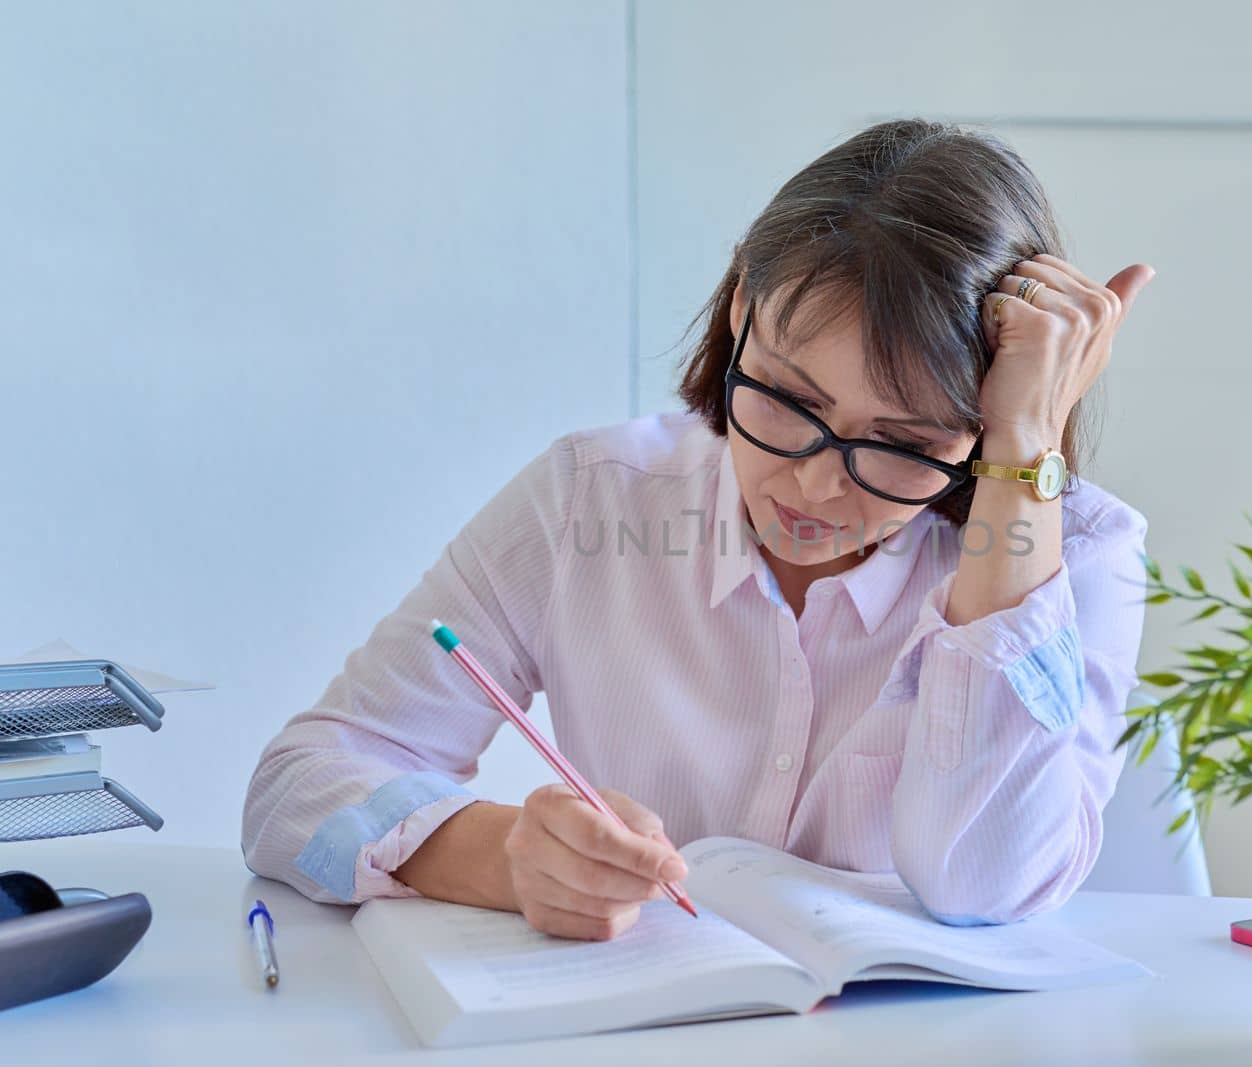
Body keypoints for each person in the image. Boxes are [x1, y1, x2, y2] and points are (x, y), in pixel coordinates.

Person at [242, 118, 1155, 942]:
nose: (814, 480)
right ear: (740, 310)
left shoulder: (1073, 556)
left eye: (903, 443)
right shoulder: (591, 499)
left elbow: (985, 887)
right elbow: (296, 784)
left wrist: (1023, 456)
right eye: (790, 399)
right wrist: (506, 851)